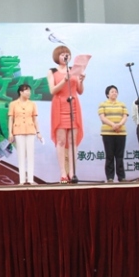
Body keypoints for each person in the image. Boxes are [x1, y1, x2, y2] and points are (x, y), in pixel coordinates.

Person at [47, 45, 85, 183]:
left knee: (72, 141)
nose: (65, 56)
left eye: (67, 54)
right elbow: (52, 90)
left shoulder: (74, 70)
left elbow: (80, 91)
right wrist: (64, 80)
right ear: (57, 57)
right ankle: (63, 173)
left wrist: (81, 80)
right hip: (59, 107)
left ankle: (72, 172)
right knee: (61, 141)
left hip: (73, 106)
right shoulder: (52, 71)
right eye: (62, 54)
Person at [8, 84, 42, 185]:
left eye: (29, 91)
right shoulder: (13, 104)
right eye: (27, 91)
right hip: (18, 131)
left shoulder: (32, 104)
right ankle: (22, 180)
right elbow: (11, 119)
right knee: (21, 155)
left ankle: (30, 179)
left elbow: (35, 119)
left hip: (30, 130)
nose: (29, 93)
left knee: (30, 155)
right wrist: (10, 133)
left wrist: (38, 132)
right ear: (21, 92)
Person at [98, 85, 128, 183]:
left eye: (115, 91)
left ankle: (121, 177)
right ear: (107, 94)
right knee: (109, 156)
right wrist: (113, 125)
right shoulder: (103, 104)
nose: (114, 93)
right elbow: (103, 118)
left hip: (121, 133)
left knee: (119, 156)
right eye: (112, 91)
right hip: (107, 133)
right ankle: (110, 177)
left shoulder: (122, 104)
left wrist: (119, 124)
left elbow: (125, 117)